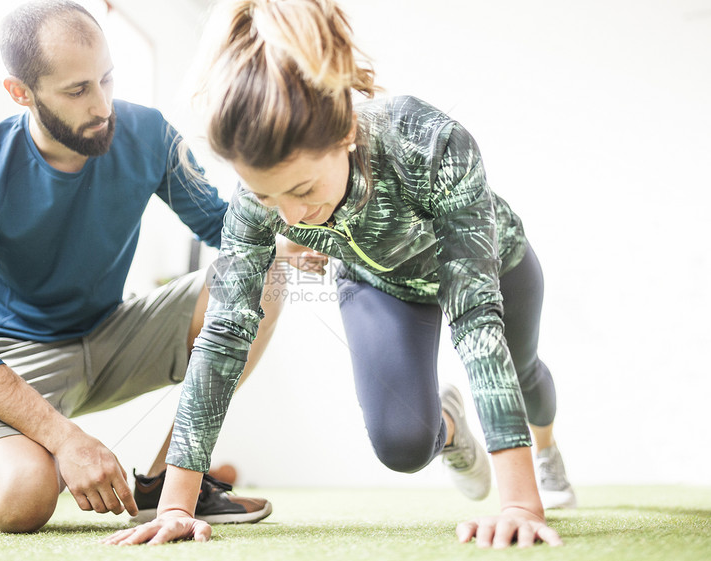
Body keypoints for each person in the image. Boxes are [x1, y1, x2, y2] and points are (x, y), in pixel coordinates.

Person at [103, 0, 576, 549]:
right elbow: (226, 331)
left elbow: (473, 313)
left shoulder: (428, 140)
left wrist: (517, 502)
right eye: (266, 196)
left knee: (524, 376)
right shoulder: (260, 202)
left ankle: (546, 453)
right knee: (402, 444)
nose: (289, 217)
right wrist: (176, 505)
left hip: (493, 266)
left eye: (302, 191)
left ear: (346, 132)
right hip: (380, 284)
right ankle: (451, 424)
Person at [0, 0, 284, 533]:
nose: (103, 105)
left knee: (265, 275)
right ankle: (1, 472)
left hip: (112, 332)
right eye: (77, 90)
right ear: (21, 92)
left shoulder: (149, 133)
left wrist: (306, 220)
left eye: (107, 79)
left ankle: (166, 479)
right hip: (19, 355)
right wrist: (64, 438)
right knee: (23, 502)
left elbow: (223, 227)